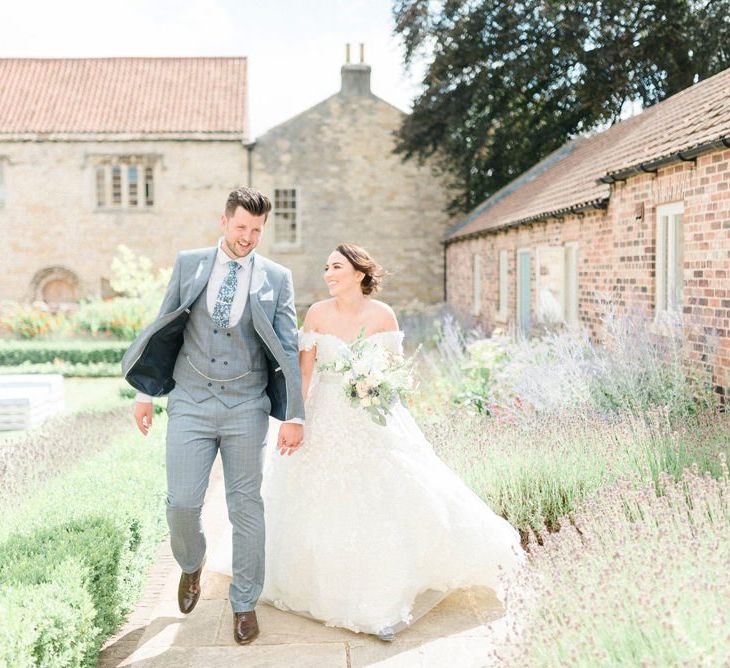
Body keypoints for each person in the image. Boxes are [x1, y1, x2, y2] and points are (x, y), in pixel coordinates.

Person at [207, 243, 525, 641]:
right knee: (317, 495)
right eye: (326, 266)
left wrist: (374, 385)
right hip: (325, 416)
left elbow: (394, 374)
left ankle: (381, 590)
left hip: (373, 419)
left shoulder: (383, 315)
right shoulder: (318, 314)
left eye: (336, 266)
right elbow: (303, 375)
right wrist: (295, 419)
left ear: (359, 273)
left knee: (383, 495)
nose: (328, 273)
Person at [121, 186, 305, 646]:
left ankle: (244, 603)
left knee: (246, 506)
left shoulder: (277, 278)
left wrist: (295, 415)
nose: (248, 237)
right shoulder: (189, 263)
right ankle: (190, 564)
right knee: (182, 503)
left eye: (257, 230)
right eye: (241, 227)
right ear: (224, 222)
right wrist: (145, 392)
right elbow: (164, 325)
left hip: (246, 404)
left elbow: (287, 347)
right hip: (190, 400)